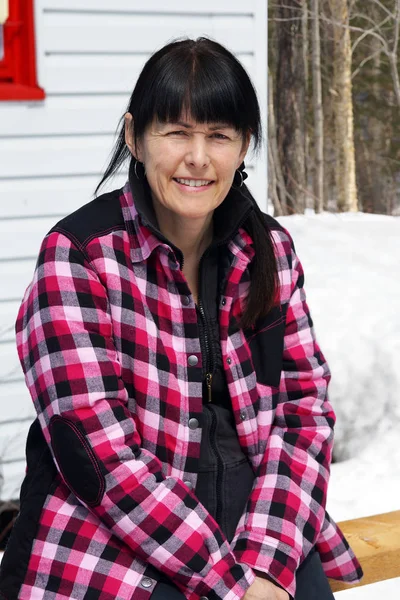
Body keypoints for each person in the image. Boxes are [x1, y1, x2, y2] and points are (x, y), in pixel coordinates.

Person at [0, 38, 362, 600]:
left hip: (253, 524)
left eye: (219, 135)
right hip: (115, 536)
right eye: (176, 132)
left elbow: (303, 414)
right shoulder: (78, 258)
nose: (198, 157)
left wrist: (266, 565)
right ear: (134, 138)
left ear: (244, 147)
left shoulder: (266, 250)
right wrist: (232, 586)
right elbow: (103, 460)